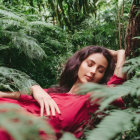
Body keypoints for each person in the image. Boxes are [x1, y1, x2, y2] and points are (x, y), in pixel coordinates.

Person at [0, 46, 126, 139]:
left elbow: (118, 80)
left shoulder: (93, 100)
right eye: (90, 64)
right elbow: (17, 95)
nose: (93, 71)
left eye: (100, 70)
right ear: (79, 64)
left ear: (103, 76)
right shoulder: (55, 92)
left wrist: (118, 53)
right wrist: (36, 88)